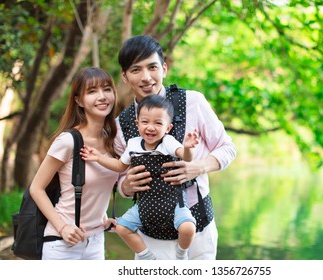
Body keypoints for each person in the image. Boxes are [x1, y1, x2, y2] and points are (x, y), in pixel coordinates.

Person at [114, 35, 237, 260]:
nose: (146, 77)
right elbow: (119, 178)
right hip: (151, 238)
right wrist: (127, 185)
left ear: (164, 68)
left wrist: (198, 167)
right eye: (135, 70)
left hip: (198, 231)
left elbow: (227, 148)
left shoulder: (193, 102)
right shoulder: (121, 125)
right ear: (124, 76)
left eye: (152, 67)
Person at [80, 94, 199, 260]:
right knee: (122, 227)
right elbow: (120, 166)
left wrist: (188, 147)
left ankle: (181, 252)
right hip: (146, 204)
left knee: (188, 228)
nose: (150, 127)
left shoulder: (168, 142)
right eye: (145, 122)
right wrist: (98, 157)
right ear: (137, 124)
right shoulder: (133, 144)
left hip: (173, 202)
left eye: (158, 123)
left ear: (168, 128)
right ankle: (145, 256)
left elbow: (186, 157)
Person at [29, 67, 119, 260]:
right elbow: (36, 188)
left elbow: (97, 187)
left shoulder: (112, 142)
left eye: (107, 89)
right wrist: (63, 228)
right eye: (92, 91)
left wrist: (102, 219)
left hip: (95, 240)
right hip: (63, 242)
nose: (102, 96)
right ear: (78, 100)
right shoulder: (68, 141)